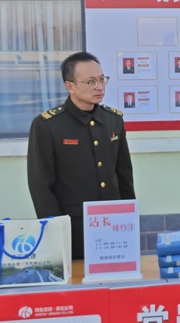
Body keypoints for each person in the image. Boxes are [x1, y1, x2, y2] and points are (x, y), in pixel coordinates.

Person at [27, 51, 135, 259]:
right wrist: (55, 230)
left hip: (113, 225)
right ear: (70, 86)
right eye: (91, 81)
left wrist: (128, 217)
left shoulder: (113, 120)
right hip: (73, 227)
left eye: (102, 79)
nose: (99, 86)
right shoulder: (48, 125)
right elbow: (41, 185)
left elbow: (124, 176)